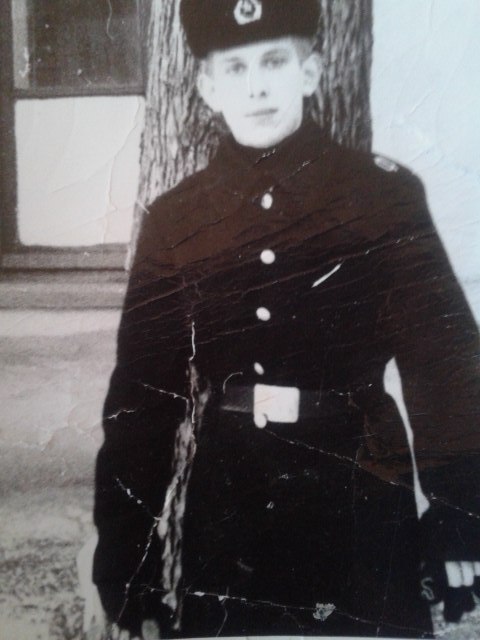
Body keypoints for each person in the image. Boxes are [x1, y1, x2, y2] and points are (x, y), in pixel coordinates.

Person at [93, 1, 480, 638]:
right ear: (208, 88)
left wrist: (459, 513)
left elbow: (444, 365)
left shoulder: (382, 197)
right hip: (233, 506)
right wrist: (125, 552)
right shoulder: (178, 220)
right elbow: (143, 396)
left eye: (275, 62)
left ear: (311, 72)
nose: (258, 87)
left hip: (361, 490)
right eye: (236, 68)